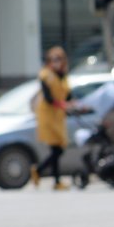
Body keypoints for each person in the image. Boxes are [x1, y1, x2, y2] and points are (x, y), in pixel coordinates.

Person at [33, 46, 81, 191]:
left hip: (58, 116)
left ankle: (46, 175)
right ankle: (50, 177)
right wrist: (64, 104)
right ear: (49, 61)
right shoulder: (46, 75)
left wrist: (74, 103)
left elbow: (68, 95)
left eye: (59, 59)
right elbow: (48, 99)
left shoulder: (63, 75)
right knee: (56, 149)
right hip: (48, 115)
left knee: (58, 149)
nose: (57, 62)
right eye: (54, 59)